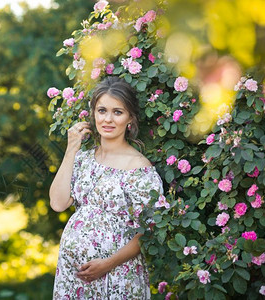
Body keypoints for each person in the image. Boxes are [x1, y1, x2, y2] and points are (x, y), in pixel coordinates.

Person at [49, 76, 163, 299]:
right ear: (93, 114)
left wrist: (107, 264)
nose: (108, 119)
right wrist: (71, 149)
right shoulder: (82, 158)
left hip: (118, 275)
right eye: (102, 111)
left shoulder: (139, 169)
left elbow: (149, 230)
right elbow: (58, 203)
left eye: (117, 112)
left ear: (130, 118)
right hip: (73, 278)